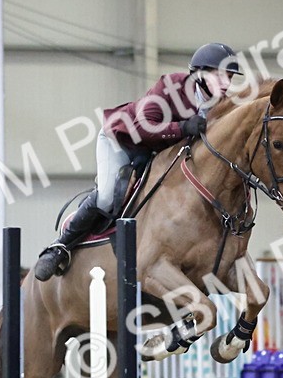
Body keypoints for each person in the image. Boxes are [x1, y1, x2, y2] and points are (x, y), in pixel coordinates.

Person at [33, 42, 242, 281]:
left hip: (158, 153)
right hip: (123, 140)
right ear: (201, 73)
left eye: (229, 77)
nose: (226, 83)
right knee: (108, 196)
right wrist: (183, 127)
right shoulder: (172, 87)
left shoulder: (223, 106)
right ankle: (60, 246)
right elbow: (143, 126)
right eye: (220, 75)